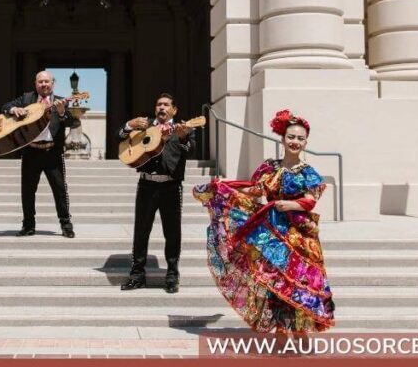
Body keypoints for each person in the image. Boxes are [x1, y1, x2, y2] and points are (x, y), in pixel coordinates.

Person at [192, 109, 335, 334]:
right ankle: (279, 329)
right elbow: (255, 189)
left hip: (299, 233)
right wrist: (228, 188)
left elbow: (310, 201)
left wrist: (289, 205)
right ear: (282, 139)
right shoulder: (270, 167)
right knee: (274, 280)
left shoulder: (308, 172)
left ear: (306, 142)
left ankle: (300, 331)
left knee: (300, 281)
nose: (295, 142)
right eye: (291, 137)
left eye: (300, 138)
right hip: (270, 231)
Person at [118, 93, 193, 294]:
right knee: (141, 232)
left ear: (174, 110)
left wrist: (184, 135)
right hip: (146, 185)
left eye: (166, 104)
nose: (161, 107)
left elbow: (188, 148)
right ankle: (137, 275)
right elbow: (120, 137)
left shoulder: (182, 128)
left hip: (171, 186)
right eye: (158, 104)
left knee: (172, 233)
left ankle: (171, 275)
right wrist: (128, 125)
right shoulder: (144, 125)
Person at [2, 71, 77, 238]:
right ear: (36, 84)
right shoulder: (27, 99)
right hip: (31, 152)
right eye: (40, 82)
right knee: (27, 191)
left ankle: (66, 225)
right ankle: (28, 225)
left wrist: (63, 112)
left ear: (53, 83)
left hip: (52, 153)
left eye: (47, 81)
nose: (44, 84)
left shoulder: (60, 101)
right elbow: (5, 107)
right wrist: (14, 109)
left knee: (60, 190)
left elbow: (72, 122)